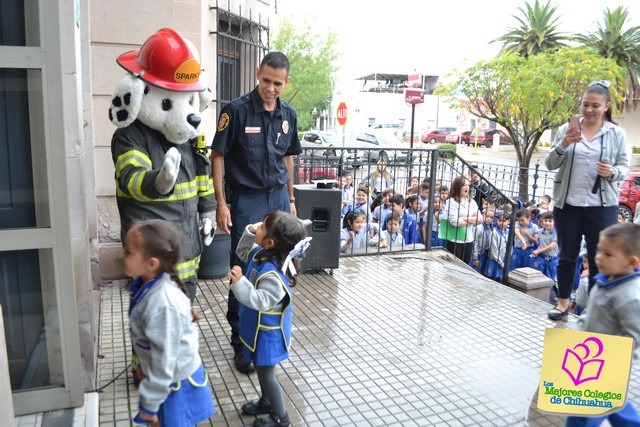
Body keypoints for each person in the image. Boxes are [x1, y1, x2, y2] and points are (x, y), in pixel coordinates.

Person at [211, 52, 302, 373]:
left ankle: (271, 334)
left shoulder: (288, 115)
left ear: (286, 82)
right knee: (243, 266)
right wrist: (221, 203)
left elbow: (288, 158)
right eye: (266, 80)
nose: (271, 88)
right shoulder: (234, 112)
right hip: (246, 200)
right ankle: (241, 342)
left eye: (277, 83)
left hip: (278, 198)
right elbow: (218, 156)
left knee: (280, 264)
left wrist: (291, 200)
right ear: (257, 74)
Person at [544, 80, 629, 321]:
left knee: (598, 257)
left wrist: (612, 173)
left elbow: (623, 166)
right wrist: (564, 144)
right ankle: (562, 304)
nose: (589, 110)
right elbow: (551, 164)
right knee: (567, 256)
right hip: (568, 205)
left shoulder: (615, 133)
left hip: (601, 207)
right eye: (585, 105)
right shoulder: (567, 129)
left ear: (606, 106)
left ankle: (593, 310)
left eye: (595, 105)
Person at [124, 220, 215, 426]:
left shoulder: (163, 303)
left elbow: (164, 361)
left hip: (175, 385)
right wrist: (142, 365)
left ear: (151, 263)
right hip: (164, 382)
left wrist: (150, 405)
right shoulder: (146, 286)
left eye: (128, 252)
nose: (123, 256)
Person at [229, 211, 309, 427]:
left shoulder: (273, 274)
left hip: (268, 335)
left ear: (270, 242)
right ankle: (266, 402)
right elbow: (243, 250)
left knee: (266, 374)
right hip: (257, 330)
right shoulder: (263, 253)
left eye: (263, 226)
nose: (258, 226)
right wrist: (250, 232)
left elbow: (261, 300)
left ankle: (281, 417)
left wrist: (239, 283)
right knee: (261, 368)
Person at [565, 222, 640, 427]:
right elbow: (589, 312)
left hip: (605, 364)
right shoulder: (605, 280)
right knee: (615, 404)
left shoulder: (631, 296)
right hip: (591, 357)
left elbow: (635, 336)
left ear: (631, 262)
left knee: (584, 412)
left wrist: (612, 358)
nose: (598, 257)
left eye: (608, 254)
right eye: (599, 250)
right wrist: (575, 330)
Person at [439, 176, 483, 264]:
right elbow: (455, 222)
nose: (467, 187)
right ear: (458, 187)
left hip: (468, 239)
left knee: (465, 265)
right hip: (454, 240)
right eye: (464, 185)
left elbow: (480, 219)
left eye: (468, 185)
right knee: (454, 265)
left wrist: (463, 218)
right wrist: (471, 220)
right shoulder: (451, 202)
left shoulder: (472, 202)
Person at [531, 211, 559, 282]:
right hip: (541, 258)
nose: (547, 223)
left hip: (551, 260)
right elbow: (539, 243)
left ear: (554, 222)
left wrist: (538, 251)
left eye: (550, 221)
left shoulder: (556, 233)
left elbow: (551, 246)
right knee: (537, 278)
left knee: (548, 280)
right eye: (545, 220)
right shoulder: (540, 231)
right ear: (542, 221)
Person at [485, 211, 510, 281]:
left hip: (504, 261)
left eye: (504, 221)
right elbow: (494, 250)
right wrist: (501, 262)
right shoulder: (494, 232)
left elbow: (510, 246)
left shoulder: (508, 232)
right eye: (500, 220)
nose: (502, 223)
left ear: (508, 221)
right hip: (495, 261)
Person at [472, 209, 495, 274]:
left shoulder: (492, 228)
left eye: (491, 217)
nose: (489, 219)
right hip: (478, 253)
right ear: (483, 216)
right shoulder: (478, 228)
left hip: (486, 253)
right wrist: (475, 258)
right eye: (487, 216)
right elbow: (474, 242)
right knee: (475, 272)